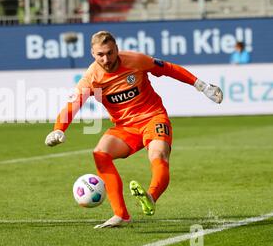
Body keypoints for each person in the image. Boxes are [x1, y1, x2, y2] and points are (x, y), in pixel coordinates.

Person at [45, 31, 223, 228]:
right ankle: (120, 215)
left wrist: (202, 86)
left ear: (117, 50)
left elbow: (169, 69)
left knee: (158, 154)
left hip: (153, 117)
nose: (106, 59)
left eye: (110, 53)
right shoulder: (91, 78)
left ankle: (151, 197)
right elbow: (73, 105)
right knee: (100, 153)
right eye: (100, 55)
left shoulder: (135, 60)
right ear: (92, 54)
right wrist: (59, 129)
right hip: (125, 128)